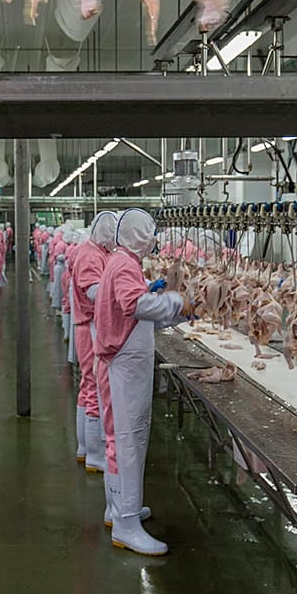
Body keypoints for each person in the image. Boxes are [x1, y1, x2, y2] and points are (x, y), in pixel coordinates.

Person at [92, 209, 187, 556]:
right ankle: (127, 525)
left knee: (122, 440)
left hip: (123, 364)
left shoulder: (123, 263)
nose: (154, 241)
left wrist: (167, 308)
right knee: (128, 442)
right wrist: (175, 300)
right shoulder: (123, 265)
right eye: (150, 234)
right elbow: (133, 305)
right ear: (140, 236)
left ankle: (119, 509)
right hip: (123, 367)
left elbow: (134, 314)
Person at [69, 211, 117, 471]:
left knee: (88, 385)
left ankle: (84, 448)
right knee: (95, 387)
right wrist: (123, 292)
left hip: (89, 325)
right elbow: (92, 291)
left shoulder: (99, 251)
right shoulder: (90, 254)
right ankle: (96, 455)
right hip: (90, 327)